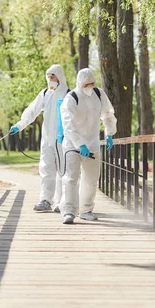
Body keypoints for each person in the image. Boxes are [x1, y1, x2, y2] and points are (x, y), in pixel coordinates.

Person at [59, 68, 116, 224]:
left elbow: (108, 114)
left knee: (91, 179)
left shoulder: (99, 94)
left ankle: (85, 210)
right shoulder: (71, 99)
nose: (90, 86)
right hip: (72, 144)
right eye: (86, 84)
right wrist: (80, 145)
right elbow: (68, 126)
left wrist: (110, 134)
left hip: (92, 144)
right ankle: (69, 211)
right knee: (71, 178)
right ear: (79, 83)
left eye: (92, 83)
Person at [10, 64, 69, 212]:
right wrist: (20, 125)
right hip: (47, 140)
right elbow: (32, 110)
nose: (50, 79)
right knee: (46, 169)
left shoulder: (69, 95)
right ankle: (46, 200)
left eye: (53, 76)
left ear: (60, 77)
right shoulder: (45, 94)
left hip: (64, 140)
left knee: (64, 171)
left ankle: (63, 202)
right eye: (48, 76)